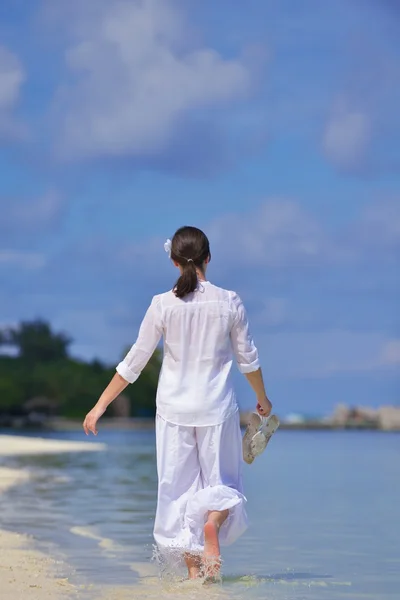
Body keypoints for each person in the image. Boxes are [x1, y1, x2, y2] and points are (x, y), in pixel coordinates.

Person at [83, 226, 272, 580]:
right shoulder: (229, 301)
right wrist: (262, 400)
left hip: (173, 411)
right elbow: (248, 360)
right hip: (216, 408)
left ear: (173, 261)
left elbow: (134, 362)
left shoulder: (162, 304)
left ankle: (194, 578)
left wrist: (100, 406)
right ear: (208, 258)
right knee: (223, 484)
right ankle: (213, 522)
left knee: (178, 493)